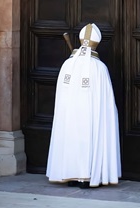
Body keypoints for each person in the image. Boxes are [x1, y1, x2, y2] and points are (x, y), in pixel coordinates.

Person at [46, 23, 121, 188]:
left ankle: (69, 174)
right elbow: (107, 103)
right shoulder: (100, 68)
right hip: (91, 118)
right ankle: (87, 175)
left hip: (70, 116)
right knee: (88, 138)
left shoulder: (67, 65)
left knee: (70, 137)